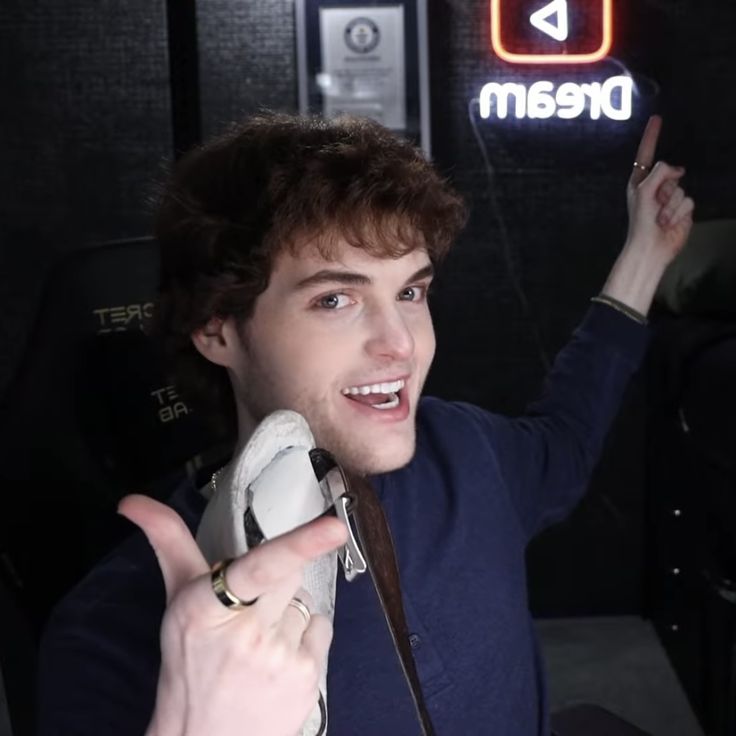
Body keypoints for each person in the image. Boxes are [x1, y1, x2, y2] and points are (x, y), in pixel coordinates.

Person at [37, 112, 693, 735]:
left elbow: (568, 438)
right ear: (217, 329)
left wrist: (646, 256)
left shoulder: (465, 452)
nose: (400, 344)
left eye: (410, 292)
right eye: (335, 299)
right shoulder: (112, 632)